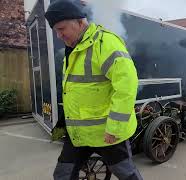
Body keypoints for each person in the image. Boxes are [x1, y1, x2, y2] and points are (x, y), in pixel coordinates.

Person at [44, 1, 143, 179]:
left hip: (107, 134)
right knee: (62, 175)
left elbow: (126, 87)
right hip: (78, 135)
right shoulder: (72, 48)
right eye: (56, 31)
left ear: (80, 22)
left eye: (61, 28)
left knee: (127, 174)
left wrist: (115, 128)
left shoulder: (106, 43)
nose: (59, 35)